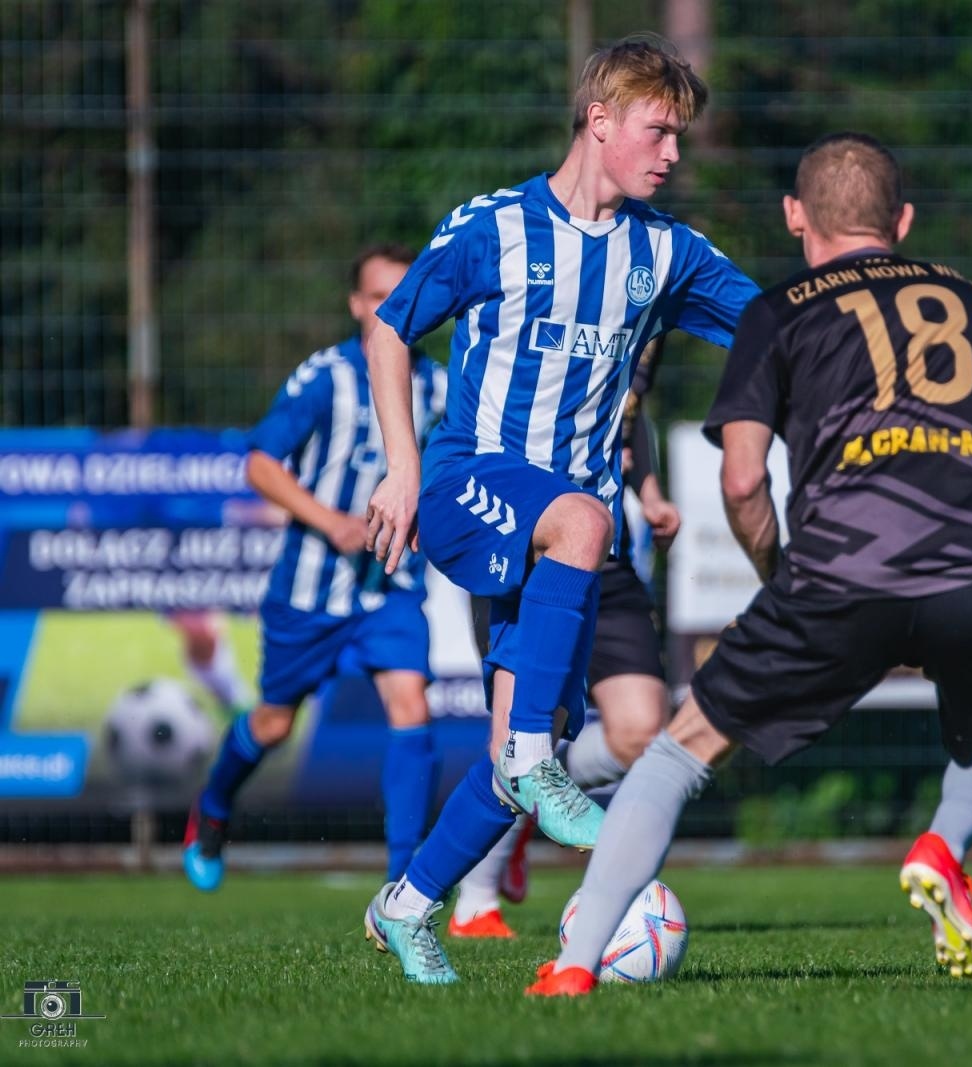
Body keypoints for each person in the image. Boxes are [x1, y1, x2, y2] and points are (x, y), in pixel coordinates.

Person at [530, 131, 972, 998]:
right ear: (900, 221)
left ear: (796, 217)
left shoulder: (778, 311)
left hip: (838, 575)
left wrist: (777, 578)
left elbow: (744, 476)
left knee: (677, 756)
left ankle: (572, 966)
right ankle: (944, 844)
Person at [358, 36, 759, 984]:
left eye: (680, 139)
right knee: (585, 517)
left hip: (560, 540)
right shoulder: (493, 228)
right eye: (659, 132)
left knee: (510, 757)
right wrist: (403, 470)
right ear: (601, 119)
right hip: (470, 480)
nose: (671, 155)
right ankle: (541, 758)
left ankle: (406, 905)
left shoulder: (665, 253)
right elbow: (389, 329)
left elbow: (776, 321)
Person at [183, 244, 447, 892]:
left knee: (411, 705)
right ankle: (213, 808)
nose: (393, 308)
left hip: (391, 586)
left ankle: (402, 888)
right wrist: (331, 522)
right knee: (274, 721)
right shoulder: (328, 375)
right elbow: (260, 463)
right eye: (379, 296)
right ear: (358, 304)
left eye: (404, 294)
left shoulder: (441, 384)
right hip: (310, 588)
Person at [450, 399, 682, 938]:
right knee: (513, 739)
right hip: (521, 543)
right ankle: (475, 902)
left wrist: (648, 491)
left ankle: (542, 792)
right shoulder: (517, 331)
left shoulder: (641, 322)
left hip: (606, 551)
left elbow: (632, 410)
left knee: (642, 733)